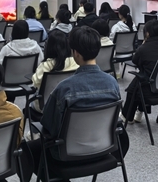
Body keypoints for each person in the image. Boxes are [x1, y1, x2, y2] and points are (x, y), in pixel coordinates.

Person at [36, 26, 121, 161]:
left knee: (31, 151)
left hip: (66, 154)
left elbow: (49, 124)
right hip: (103, 149)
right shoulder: (112, 83)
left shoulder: (64, 88)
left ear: (75, 53)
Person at [120, 20, 158, 124]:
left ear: (147, 33)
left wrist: (142, 45)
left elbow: (135, 61)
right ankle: (139, 112)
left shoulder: (143, 48)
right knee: (142, 77)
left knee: (135, 87)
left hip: (151, 88)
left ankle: (127, 116)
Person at [31, 30, 79, 112]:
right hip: (68, 105)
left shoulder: (46, 65)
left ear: (49, 47)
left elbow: (35, 83)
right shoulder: (75, 62)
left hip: (46, 107)